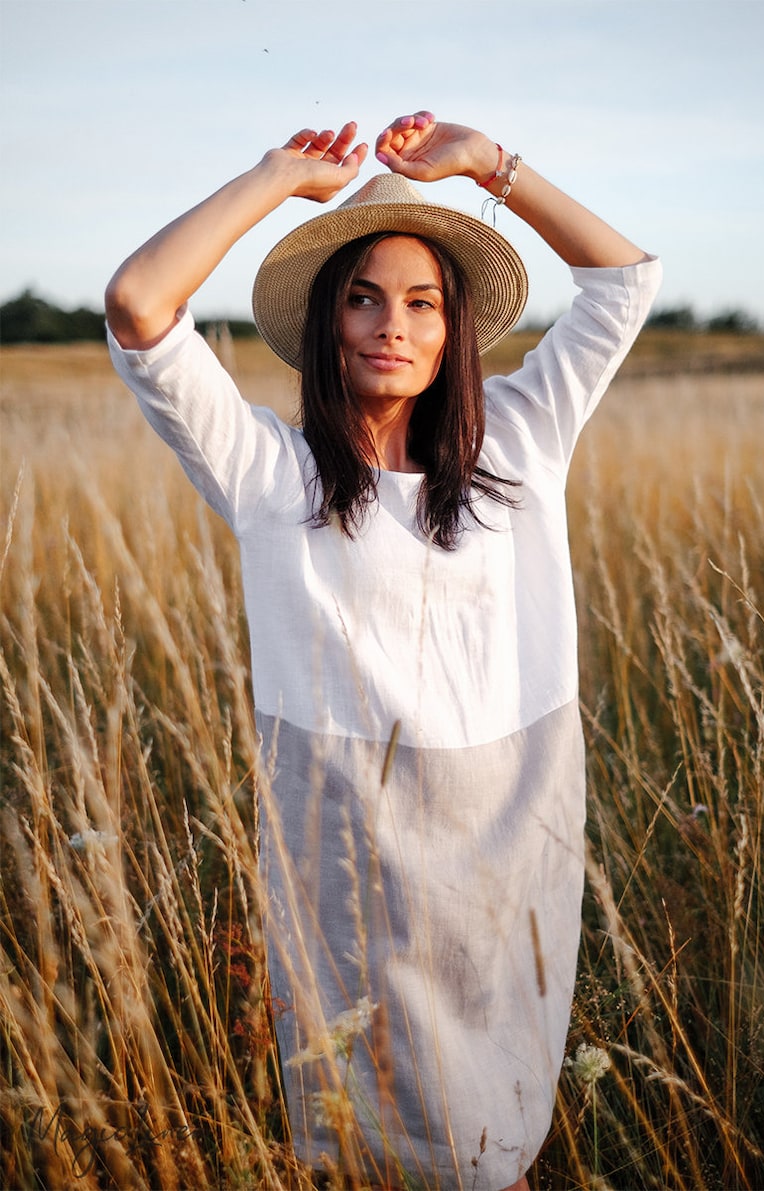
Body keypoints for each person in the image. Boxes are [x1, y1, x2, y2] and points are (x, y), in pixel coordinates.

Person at [105, 110, 662, 1191]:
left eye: (420, 303)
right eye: (361, 297)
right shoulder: (273, 476)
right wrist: (274, 179)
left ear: (454, 328)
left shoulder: (522, 439)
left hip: (507, 853)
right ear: (326, 322)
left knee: (495, 1138)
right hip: (345, 857)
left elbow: (621, 282)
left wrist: (487, 167)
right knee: (357, 1137)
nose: (390, 326)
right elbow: (139, 305)